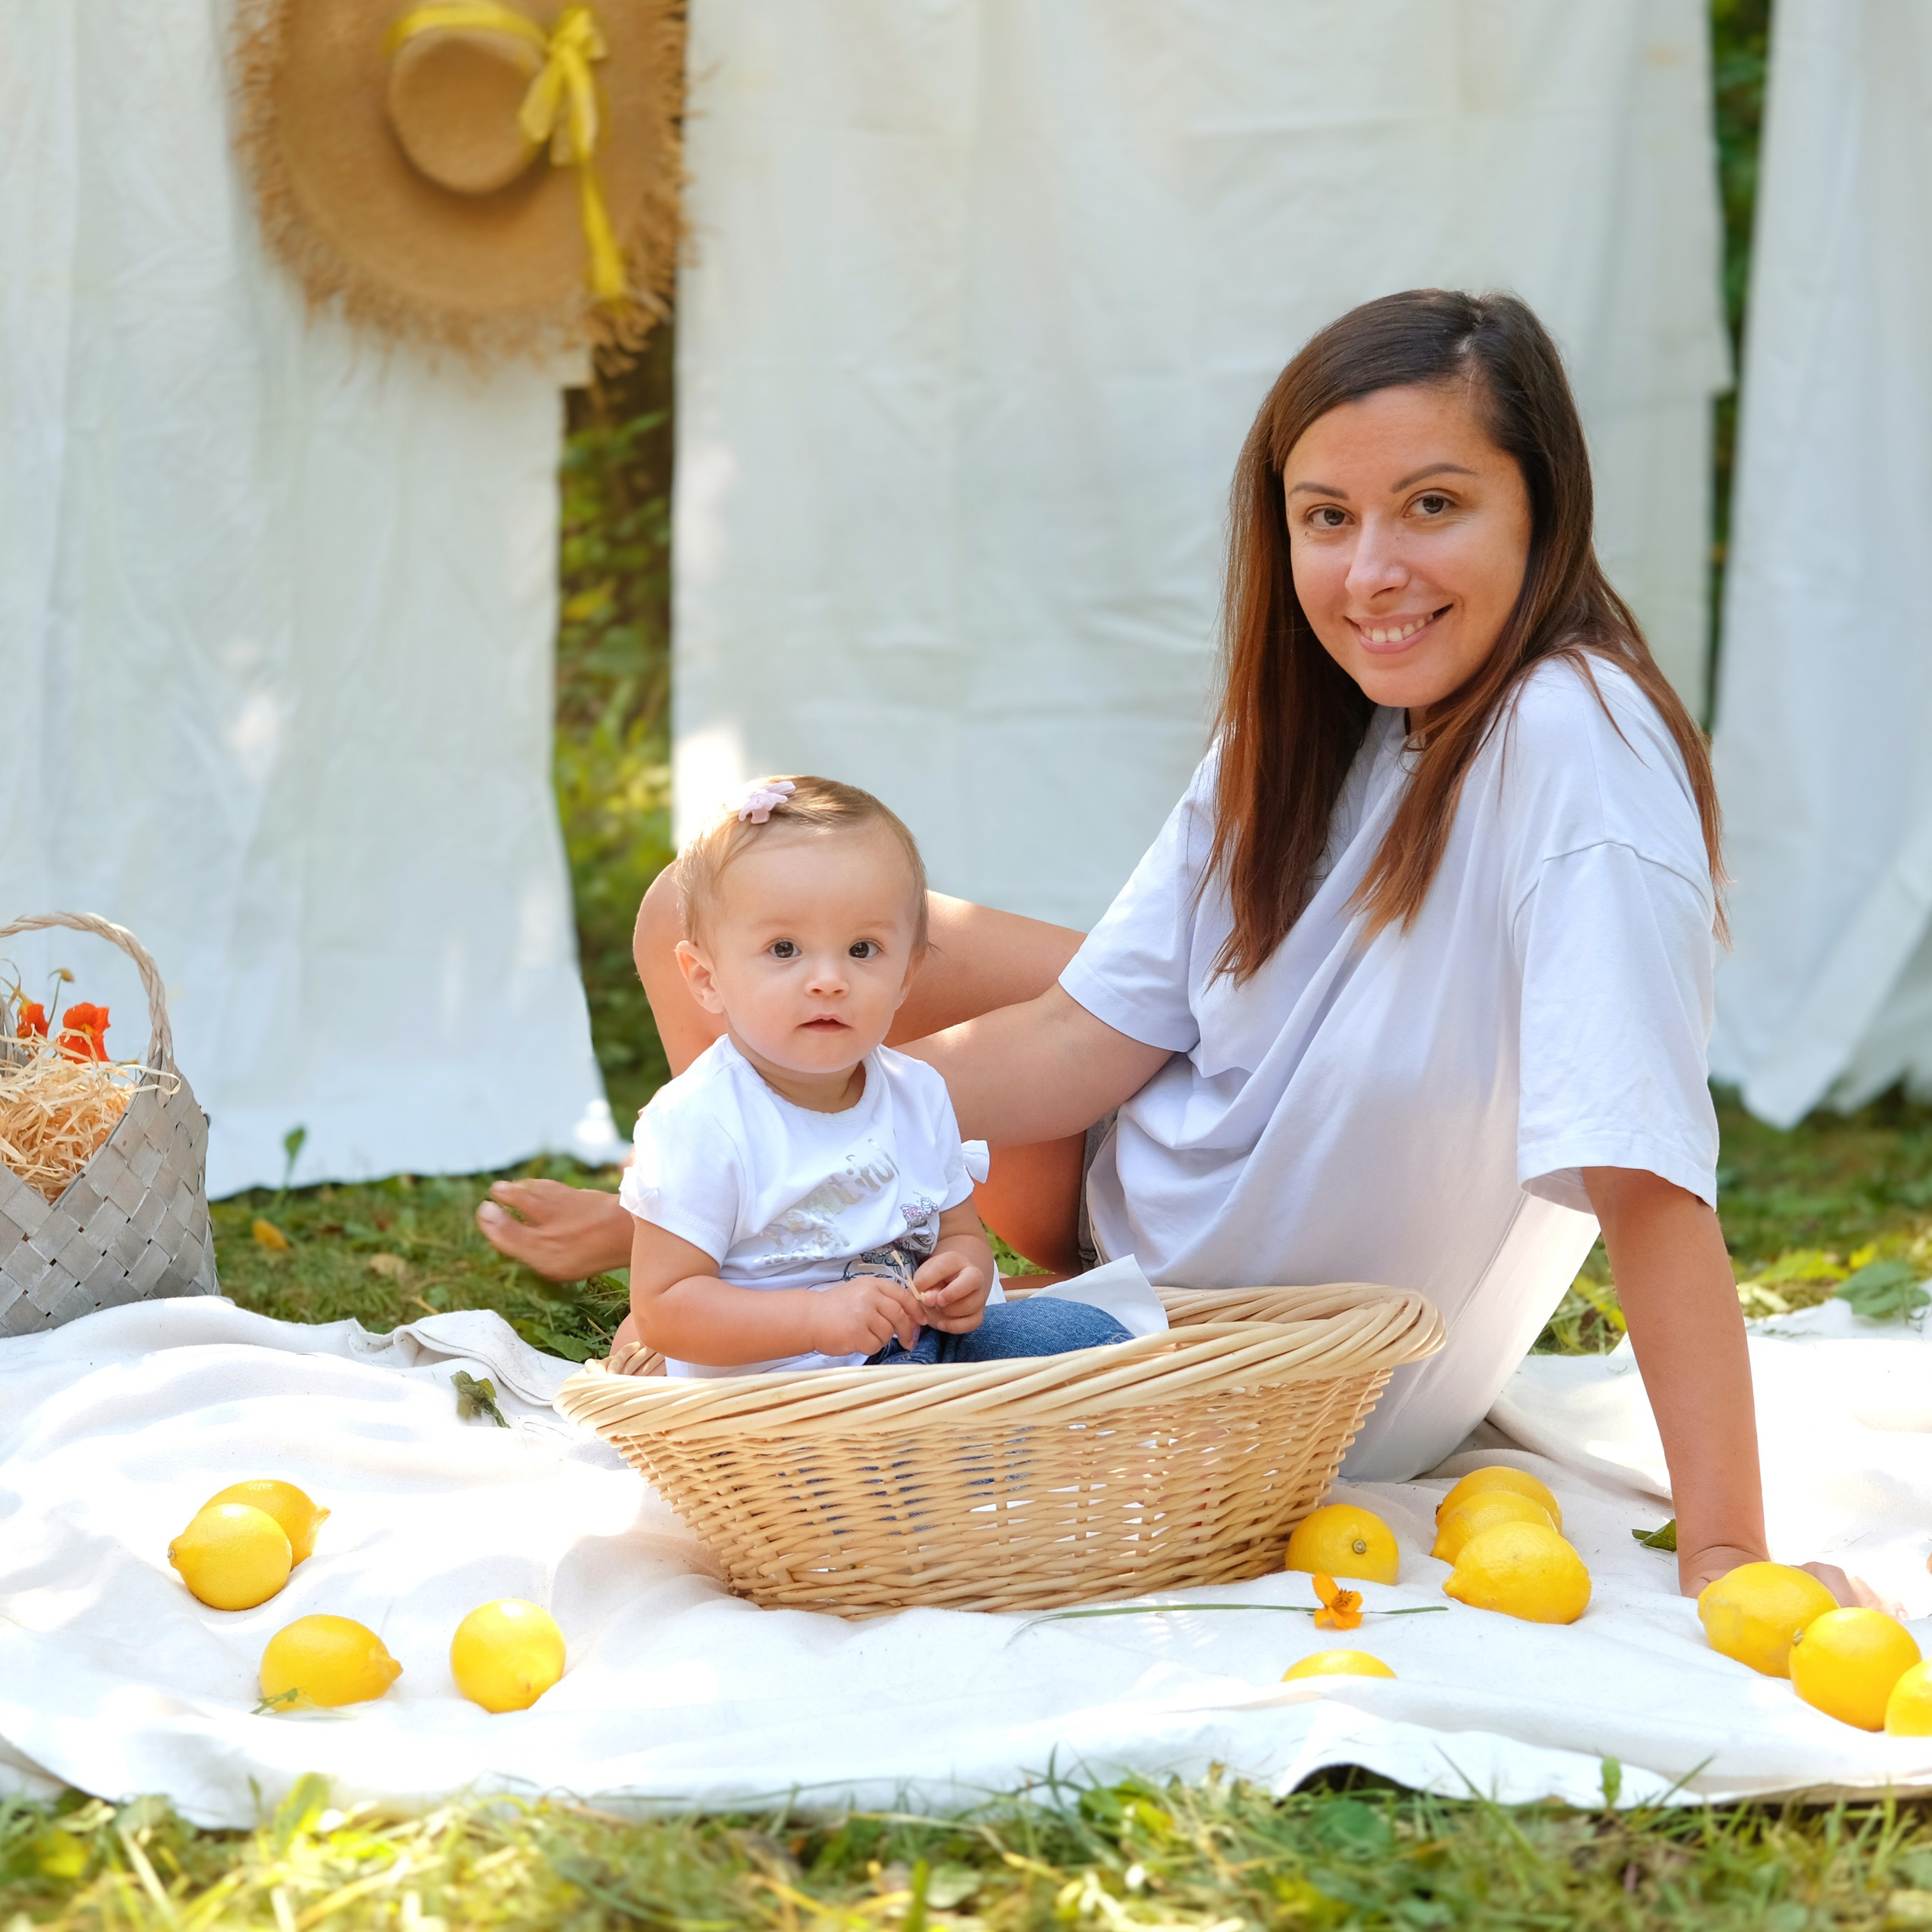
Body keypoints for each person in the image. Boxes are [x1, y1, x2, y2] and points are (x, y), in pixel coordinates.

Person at [481, 290, 1767, 1598]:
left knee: (793, 975)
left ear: (1543, 504)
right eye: (1327, 517)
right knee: (698, 912)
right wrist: (722, 1172)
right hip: (1129, 1183)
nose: (1371, 572)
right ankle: (779, 1278)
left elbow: (1646, 1175)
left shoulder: (1575, 747)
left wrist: (1725, 1551)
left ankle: (797, 1283)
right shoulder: (1327, 712)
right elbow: (1088, 1037)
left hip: (1288, 1363)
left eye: (1433, 506)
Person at [605, 773, 1129, 1376]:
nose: (829, 979)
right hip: (786, 1387)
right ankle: (954, 1451)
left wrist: (964, 1273)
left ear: (907, 974)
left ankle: (980, 1436)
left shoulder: (917, 1093)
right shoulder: (701, 1120)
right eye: (784, 949)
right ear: (705, 977)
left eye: (862, 950)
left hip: (911, 1348)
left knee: (1095, 1336)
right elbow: (665, 1308)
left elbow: (958, 1232)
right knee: (928, 1429)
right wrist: (814, 1319)